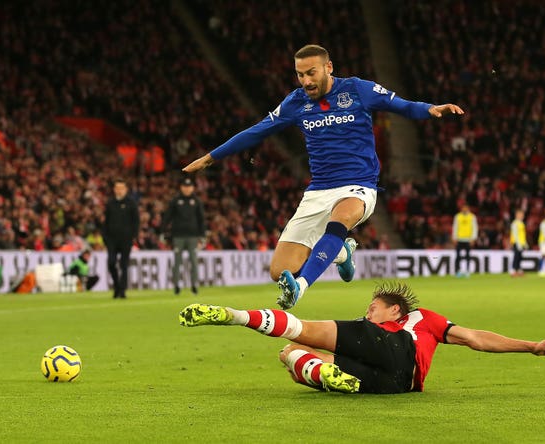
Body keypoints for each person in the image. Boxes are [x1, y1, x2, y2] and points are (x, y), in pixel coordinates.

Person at [182, 44, 464, 309]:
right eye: (300, 74)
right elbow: (257, 131)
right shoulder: (295, 102)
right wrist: (210, 158)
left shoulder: (356, 89)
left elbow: (400, 104)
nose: (305, 81)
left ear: (328, 67)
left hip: (359, 185)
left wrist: (429, 108)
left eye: (311, 73)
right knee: (279, 271)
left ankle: (300, 287)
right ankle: (342, 253)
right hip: (318, 191)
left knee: (340, 220)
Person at [178, 282, 545, 394]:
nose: (368, 313)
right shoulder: (431, 327)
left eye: (373, 308)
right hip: (396, 384)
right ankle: (325, 375)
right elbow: (474, 339)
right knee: (292, 355)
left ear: (395, 311)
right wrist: (532, 348)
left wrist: (529, 345)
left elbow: (477, 337)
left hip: (398, 349)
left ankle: (232, 316)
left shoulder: (419, 320)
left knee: (302, 330)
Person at [162, 177, 206, 295]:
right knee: (177, 262)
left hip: (193, 236)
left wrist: (202, 235)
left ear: (192, 188)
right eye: (185, 187)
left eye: (189, 187)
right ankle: (176, 286)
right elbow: (167, 217)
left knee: (193, 261)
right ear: (181, 187)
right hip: (178, 236)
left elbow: (201, 219)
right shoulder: (175, 201)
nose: (187, 189)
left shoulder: (197, 201)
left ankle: (194, 285)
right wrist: (163, 231)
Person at [103, 179, 139, 299]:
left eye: (121, 188)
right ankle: (117, 286)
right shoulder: (110, 203)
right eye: (117, 188)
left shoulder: (131, 203)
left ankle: (122, 290)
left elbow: (136, 221)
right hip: (112, 239)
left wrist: (133, 236)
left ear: (126, 189)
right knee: (111, 263)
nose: (119, 190)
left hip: (126, 239)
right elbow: (106, 222)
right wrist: (105, 237)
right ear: (114, 189)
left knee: (124, 264)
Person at [451, 204, 478, 277]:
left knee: (468, 256)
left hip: (468, 239)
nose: (464, 209)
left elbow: (475, 228)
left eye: (466, 208)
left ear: (468, 208)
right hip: (459, 239)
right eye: (463, 208)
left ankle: (467, 270)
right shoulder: (457, 216)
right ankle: (458, 271)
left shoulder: (472, 217)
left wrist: (473, 238)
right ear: (461, 209)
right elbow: (455, 227)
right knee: (458, 256)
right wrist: (454, 237)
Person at [509, 209, 527, 277]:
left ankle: (519, 270)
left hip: (521, 243)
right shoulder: (515, 223)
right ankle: (513, 270)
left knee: (520, 257)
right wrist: (518, 242)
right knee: (516, 256)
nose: (523, 216)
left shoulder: (521, 223)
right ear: (517, 215)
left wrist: (524, 242)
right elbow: (515, 234)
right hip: (516, 242)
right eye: (521, 214)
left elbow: (522, 234)